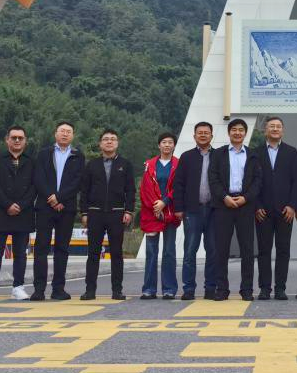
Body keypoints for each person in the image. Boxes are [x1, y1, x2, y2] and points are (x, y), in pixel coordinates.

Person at [208, 117, 261, 300]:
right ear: (229, 132)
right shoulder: (218, 154)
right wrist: (225, 197)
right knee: (221, 249)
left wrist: (246, 198)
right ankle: (222, 289)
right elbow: (213, 178)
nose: (237, 133)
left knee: (247, 249)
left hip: (245, 206)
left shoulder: (253, 155)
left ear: (245, 133)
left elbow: (258, 180)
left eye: (241, 130)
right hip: (223, 205)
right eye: (234, 130)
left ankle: (247, 289)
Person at [80, 129, 135, 300]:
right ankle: (90, 290)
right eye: (105, 139)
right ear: (100, 144)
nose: (109, 142)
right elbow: (84, 190)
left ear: (117, 143)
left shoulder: (125, 164)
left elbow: (130, 190)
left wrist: (128, 210)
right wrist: (84, 212)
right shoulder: (92, 165)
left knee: (117, 253)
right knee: (93, 253)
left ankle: (117, 290)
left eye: (112, 139)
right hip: (95, 213)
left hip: (117, 213)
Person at [32, 121, 84, 301]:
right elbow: (38, 178)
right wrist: (51, 198)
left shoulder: (78, 155)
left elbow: (77, 181)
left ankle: (58, 289)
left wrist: (60, 198)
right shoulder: (44, 153)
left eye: (68, 131)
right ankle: (39, 289)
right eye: (62, 131)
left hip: (66, 208)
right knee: (41, 248)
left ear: (73, 135)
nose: (65, 134)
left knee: (62, 249)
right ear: (55, 134)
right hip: (45, 207)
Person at [0, 125, 37, 302]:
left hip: (23, 213)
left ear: (25, 141)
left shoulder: (31, 162)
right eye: (13, 137)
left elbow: (34, 188)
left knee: (20, 254)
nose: (17, 140)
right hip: (1, 212)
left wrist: (20, 205)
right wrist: (7, 205)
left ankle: (18, 287)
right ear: (7, 140)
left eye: (20, 138)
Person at [254, 116, 297, 300]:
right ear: (265, 130)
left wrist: (292, 206)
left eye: (278, 126)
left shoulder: (291, 152)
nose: (275, 129)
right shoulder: (255, 152)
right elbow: (251, 181)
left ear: (283, 130)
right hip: (262, 211)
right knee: (263, 251)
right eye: (271, 126)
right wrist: (256, 205)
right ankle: (265, 288)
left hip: (285, 211)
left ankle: (280, 288)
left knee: (283, 250)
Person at [174, 121, 219, 300]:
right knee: (190, 251)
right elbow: (178, 184)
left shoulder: (219, 156)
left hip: (214, 210)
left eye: (206, 132)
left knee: (213, 251)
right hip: (192, 210)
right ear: (194, 136)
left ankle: (210, 288)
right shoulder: (186, 157)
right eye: (200, 132)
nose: (203, 135)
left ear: (211, 136)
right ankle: (189, 289)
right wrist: (178, 208)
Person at [139, 132, 180, 300]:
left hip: (170, 213)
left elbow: (179, 187)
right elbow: (145, 189)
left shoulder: (179, 164)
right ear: (159, 145)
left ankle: (169, 289)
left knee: (169, 252)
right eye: (164, 142)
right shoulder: (149, 165)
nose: (167, 145)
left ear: (174, 145)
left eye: (170, 142)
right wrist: (155, 206)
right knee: (151, 252)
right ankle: (149, 289)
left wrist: (164, 202)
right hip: (151, 213)